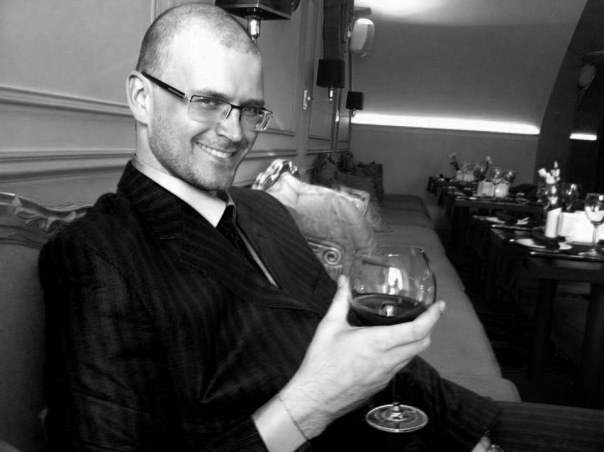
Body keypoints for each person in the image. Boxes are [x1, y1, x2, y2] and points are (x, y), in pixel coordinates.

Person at [38, 4, 604, 452]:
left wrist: (475, 432)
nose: (234, 132)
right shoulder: (97, 256)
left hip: (434, 420)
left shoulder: (264, 212)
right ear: (141, 97)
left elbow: (358, 344)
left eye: (250, 109)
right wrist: (310, 403)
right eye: (207, 102)